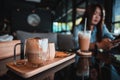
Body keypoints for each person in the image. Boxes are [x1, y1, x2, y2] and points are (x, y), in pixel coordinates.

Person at [73, 3, 120, 80]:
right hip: (80, 60)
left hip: (96, 57)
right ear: (88, 14)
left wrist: (112, 42)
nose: (97, 17)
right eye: (95, 13)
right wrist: (98, 45)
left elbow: (110, 37)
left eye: (100, 15)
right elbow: (77, 45)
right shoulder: (78, 28)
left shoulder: (101, 27)